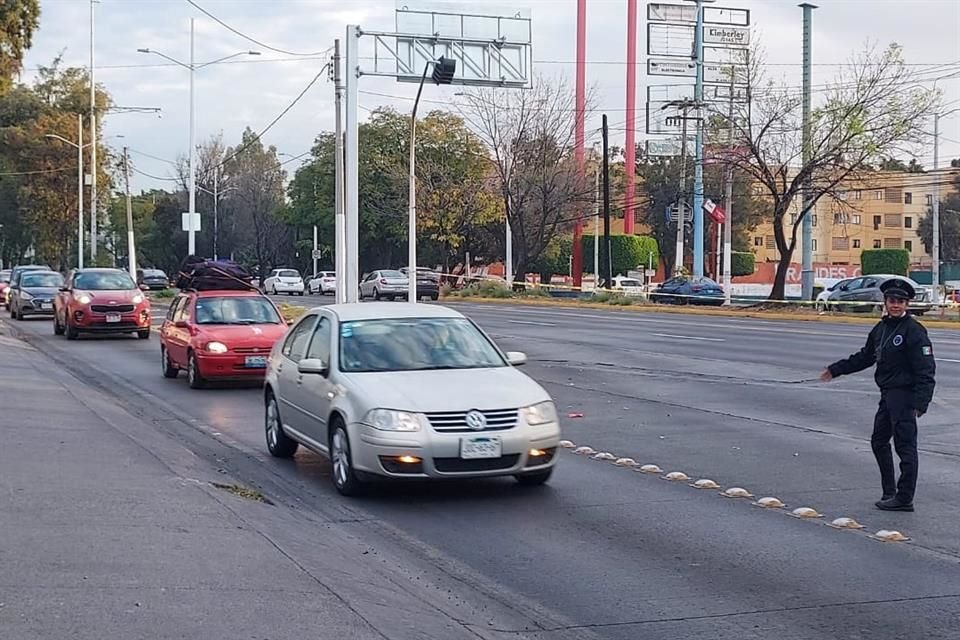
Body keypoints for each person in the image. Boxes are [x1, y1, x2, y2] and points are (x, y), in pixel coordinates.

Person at [819, 278, 936, 511]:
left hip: (904, 396)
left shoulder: (914, 331)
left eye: (901, 301)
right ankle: (889, 491)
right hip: (888, 395)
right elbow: (865, 357)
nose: (896, 305)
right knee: (879, 441)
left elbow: (926, 369)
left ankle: (904, 498)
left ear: (907, 304)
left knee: (905, 448)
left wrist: (921, 402)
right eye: (892, 301)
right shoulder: (881, 329)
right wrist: (836, 370)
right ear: (885, 301)